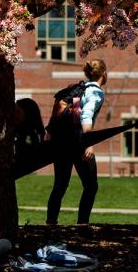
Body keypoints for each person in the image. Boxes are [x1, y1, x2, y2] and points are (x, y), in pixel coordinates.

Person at [46, 58, 107, 225]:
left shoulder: (77, 89)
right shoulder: (95, 92)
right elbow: (86, 115)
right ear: (104, 74)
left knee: (60, 185)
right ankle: (82, 224)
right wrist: (89, 143)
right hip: (79, 144)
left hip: (62, 144)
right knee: (91, 186)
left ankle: (50, 223)